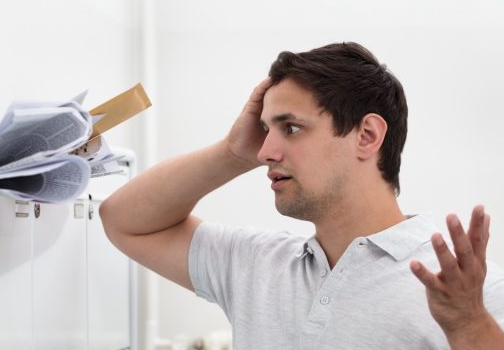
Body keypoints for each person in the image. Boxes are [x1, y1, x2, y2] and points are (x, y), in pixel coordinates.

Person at [99, 42, 504, 349]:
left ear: (367, 136)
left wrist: (467, 325)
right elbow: (123, 220)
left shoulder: (472, 294)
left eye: (290, 128)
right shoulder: (256, 265)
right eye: (264, 130)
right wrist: (230, 153)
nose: (265, 152)